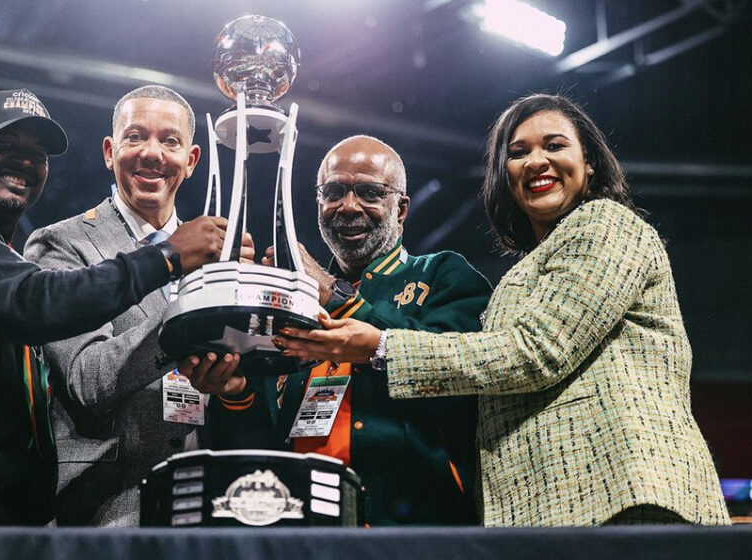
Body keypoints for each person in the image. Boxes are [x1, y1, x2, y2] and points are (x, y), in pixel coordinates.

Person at [274, 94, 731, 526]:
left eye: (554, 145)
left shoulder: (605, 223)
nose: (536, 161)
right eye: (518, 152)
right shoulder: (526, 270)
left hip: (621, 490)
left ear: (588, 164)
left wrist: (377, 342)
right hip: (548, 507)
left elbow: (538, 350)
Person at [0, 88, 232, 527]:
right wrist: (168, 262)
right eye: (5, 146)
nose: (24, 162)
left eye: (38, 153)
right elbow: (44, 306)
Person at [211, 135, 492, 525]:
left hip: (415, 537)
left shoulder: (444, 275)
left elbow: (463, 381)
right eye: (335, 191)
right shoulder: (291, 302)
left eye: (370, 193)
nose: (348, 206)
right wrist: (235, 392)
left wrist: (334, 293)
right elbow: (257, 444)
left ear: (402, 208)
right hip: (302, 535)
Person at [23, 85, 251, 527]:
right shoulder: (62, 244)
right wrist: (185, 303)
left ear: (191, 159)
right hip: (97, 511)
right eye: (135, 137)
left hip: (203, 507)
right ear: (110, 151)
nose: (152, 153)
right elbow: (87, 381)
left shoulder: (219, 254)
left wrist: (238, 382)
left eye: (169, 140)